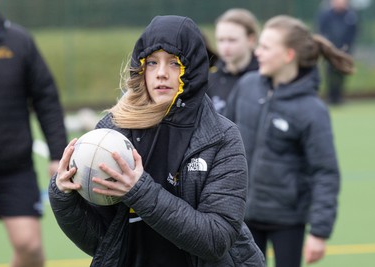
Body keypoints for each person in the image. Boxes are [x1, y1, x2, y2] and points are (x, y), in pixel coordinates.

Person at [48, 15, 265, 266]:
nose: (161, 73)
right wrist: (63, 195)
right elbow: (102, 241)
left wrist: (138, 190)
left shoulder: (221, 137)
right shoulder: (113, 131)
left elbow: (216, 240)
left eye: (174, 63)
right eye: (152, 62)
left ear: (193, 66)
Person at [224, 15, 353, 267]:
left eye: (265, 47)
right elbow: (220, 143)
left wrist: (319, 232)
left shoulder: (312, 110)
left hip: (287, 221)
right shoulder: (247, 86)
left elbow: (325, 173)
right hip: (240, 215)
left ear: (288, 55)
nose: (257, 52)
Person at [0, 1, 67, 266]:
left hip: (13, 168)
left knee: (30, 247)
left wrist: (57, 153)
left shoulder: (19, 42)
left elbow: (46, 99)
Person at [207, 8, 259, 113]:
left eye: (232, 40)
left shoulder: (264, 77)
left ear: (251, 40)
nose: (225, 47)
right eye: (221, 40)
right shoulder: (210, 79)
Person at [316, 0, 358, 104]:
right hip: (329, 50)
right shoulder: (325, 15)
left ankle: (339, 97)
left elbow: (354, 32)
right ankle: (331, 96)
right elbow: (321, 30)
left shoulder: (351, 16)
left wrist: (348, 46)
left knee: (342, 73)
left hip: (345, 50)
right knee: (329, 73)